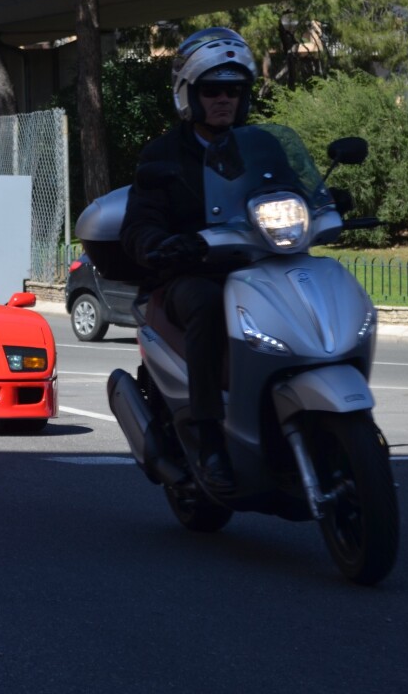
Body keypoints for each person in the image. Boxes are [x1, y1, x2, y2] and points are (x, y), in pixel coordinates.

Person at [119, 27, 260, 495]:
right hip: (186, 276)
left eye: (234, 90)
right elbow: (138, 224)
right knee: (207, 302)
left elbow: (294, 189)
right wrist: (159, 242)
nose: (224, 99)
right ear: (190, 95)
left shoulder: (261, 148)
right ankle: (207, 436)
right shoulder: (162, 155)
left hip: (255, 270)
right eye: (213, 90)